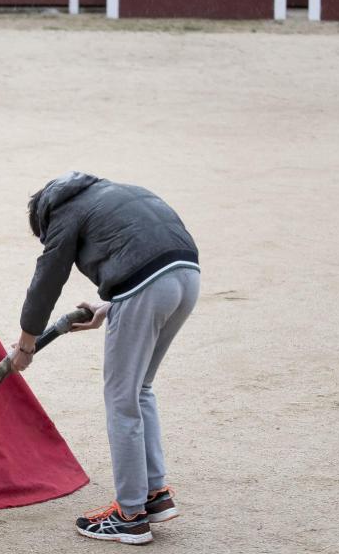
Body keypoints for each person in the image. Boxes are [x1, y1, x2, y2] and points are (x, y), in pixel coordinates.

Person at [11, 171, 200, 545]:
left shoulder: (63, 212)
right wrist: (110, 306)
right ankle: (154, 494)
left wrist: (25, 344)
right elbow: (151, 251)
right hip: (187, 277)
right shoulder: (125, 190)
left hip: (145, 286)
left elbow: (47, 279)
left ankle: (130, 515)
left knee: (121, 399)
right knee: (140, 388)